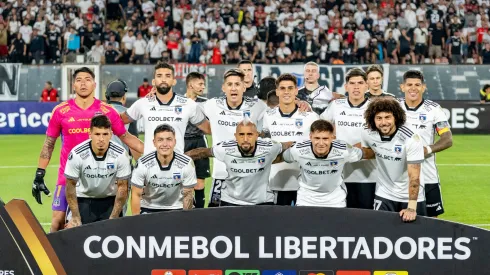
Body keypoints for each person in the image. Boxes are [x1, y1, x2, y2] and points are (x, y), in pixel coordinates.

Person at [32, 67, 143, 232]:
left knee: (105, 225)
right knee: (57, 222)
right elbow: (49, 143)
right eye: (79, 80)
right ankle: (52, 258)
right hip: (67, 177)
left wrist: (154, 153)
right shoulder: (61, 111)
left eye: (87, 80)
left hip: (101, 178)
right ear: (73, 85)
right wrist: (39, 174)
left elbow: (126, 137)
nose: (83, 83)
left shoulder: (107, 111)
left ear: (94, 84)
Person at [185, 119, 292, 206]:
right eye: (241, 134)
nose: (245, 139)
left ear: (256, 136)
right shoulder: (225, 148)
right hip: (231, 202)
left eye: (250, 134)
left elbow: (289, 145)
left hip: (262, 202)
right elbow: (202, 152)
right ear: (236, 136)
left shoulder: (269, 147)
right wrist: (177, 159)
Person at [202, 68, 268, 207]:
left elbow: (278, 110)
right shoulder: (212, 105)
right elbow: (188, 108)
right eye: (230, 84)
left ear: (244, 87)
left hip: (250, 175)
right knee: (216, 219)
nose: (233, 88)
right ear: (223, 87)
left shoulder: (258, 106)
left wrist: (300, 103)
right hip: (221, 176)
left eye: (237, 84)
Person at [121, 62, 211, 155]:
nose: (163, 79)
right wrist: (141, 147)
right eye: (159, 76)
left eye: (168, 76)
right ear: (153, 81)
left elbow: (209, 129)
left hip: (178, 166)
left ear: (174, 81)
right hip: (151, 166)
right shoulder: (142, 103)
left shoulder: (189, 104)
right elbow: (119, 121)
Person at [278, 119, 374, 207]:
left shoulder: (344, 150)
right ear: (310, 137)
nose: (321, 143)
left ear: (332, 137)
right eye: (317, 138)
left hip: (335, 201)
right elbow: (281, 157)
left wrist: (382, 149)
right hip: (306, 199)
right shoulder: (298, 150)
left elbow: (366, 153)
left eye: (325, 139)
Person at [361, 97, 426, 222]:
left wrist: (411, 207)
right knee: (380, 233)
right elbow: (370, 152)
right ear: (372, 119)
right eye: (379, 118)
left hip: (410, 197)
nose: (383, 122)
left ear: (396, 117)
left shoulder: (411, 138)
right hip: (384, 193)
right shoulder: (367, 132)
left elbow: (414, 177)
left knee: (415, 237)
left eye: (387, 117)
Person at [321, 68, 377, 209]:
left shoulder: (375, 108)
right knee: (343, 220)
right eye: (352, 83)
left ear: (366, 85)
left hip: (369, 175)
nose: (356, 87)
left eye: (360, 83)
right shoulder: (336, 105)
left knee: (367, 219)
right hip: (340, 175)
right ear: (346, 87)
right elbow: (321, 128)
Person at [399, 70, 453, 217]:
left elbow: (447, 139)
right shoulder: (394, 107)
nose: (413, 88)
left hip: (427, 175)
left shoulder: (433, 109)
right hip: (399, 176)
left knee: (431, 221)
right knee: (396, 220)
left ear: (424, 87)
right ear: (402, 87)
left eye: (417, 85)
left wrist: (426, 149)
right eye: (409, 84)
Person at [261, 73, 319, 206]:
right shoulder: (268, 116)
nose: (286, 92)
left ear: (296, 91)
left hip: (304, 185)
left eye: (290, 88)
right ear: (277, 91)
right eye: (282, 88)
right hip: (275, 183)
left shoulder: (311, 117)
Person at [64, 115, 131, 227]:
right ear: (90, 134)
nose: (101, 139)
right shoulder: (77, 154)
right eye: (97, 134)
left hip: (109, 201)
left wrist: (114, 217)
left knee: (113, 237)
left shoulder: (121, 154)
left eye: (105, 134)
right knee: (74, 234)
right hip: (83, 200)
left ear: (111, 134)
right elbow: (70, 186)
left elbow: (123, 187)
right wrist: (75, 216)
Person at [131, 124, 196, 214]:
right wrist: (136, 222)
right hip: (149, 208)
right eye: (160, 140)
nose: (165, 144)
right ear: (154, 142)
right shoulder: (143, 163)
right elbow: (136, 194)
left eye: (169, 139)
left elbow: (188, 195)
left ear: (175, 142)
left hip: (177, 208)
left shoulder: (186, 163)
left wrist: (185, 219)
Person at [183, 72, 209, 208]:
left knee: (200, 181)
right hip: (182, 143)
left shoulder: (206, 103)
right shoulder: (179, 102)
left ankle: (199, 213)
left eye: (203, 84)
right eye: (200, 84)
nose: (203, 87)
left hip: (200, 141)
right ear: (190, 85)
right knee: (181, 181)